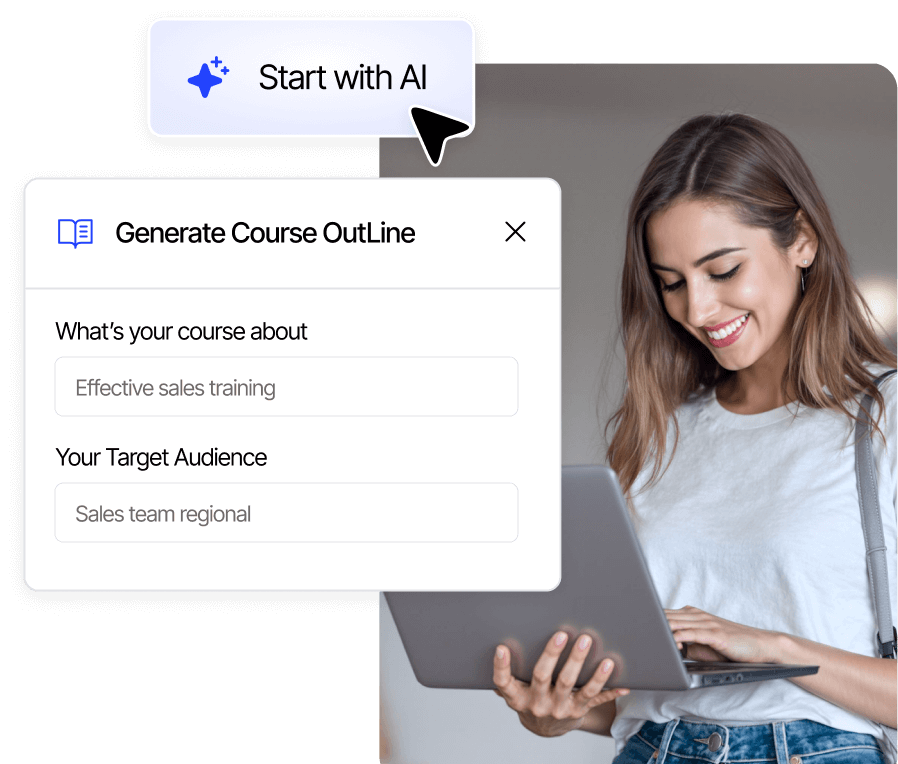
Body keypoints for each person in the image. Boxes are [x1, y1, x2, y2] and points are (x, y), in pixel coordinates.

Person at [492, 113, 897, 763]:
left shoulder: (883, 416)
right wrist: (559, 712)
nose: (698, 310)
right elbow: (645, 694)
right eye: (672, 283)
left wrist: (776, 648)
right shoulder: (661, 432)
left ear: (802, 240)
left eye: (724, 270)